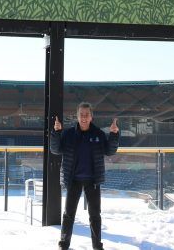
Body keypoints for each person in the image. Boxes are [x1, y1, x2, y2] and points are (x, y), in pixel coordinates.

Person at [50, 102, 119, 250]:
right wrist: (56, 132)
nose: (84, 117)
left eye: (87, 114)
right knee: (68, 215)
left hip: (92, 181)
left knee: (95, 216)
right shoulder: (68, 134)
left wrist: (114, 135)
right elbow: (55, 149)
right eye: (81, 114)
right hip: (73, 180)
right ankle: (63, 244)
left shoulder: (99, 134)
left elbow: (110, 151)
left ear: (91, 116)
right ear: (77, 116)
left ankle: (97, 246)